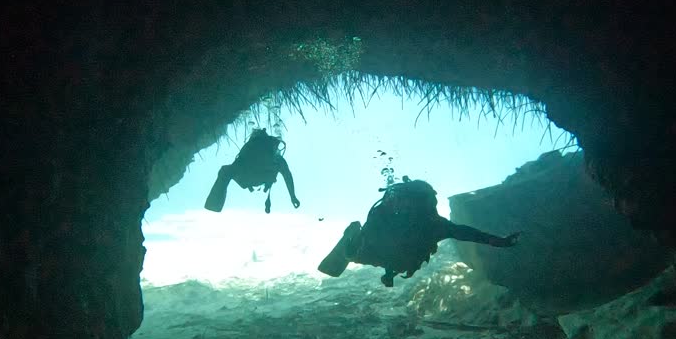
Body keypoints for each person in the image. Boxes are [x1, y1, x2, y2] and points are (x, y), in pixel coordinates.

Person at [318, 176, 520, 286]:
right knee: (358, 248)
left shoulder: (431, 224)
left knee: (359, 249)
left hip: (385, 257)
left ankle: (353, 237)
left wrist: (499, 241)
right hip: (385, 257)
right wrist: (499, 241)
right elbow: (466, 232)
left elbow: (466, 232)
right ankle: (352, 235)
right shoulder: (431, 224)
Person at [204, 128, 301, 213]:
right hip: (264, 177)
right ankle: (214, 205)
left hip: (246, 178)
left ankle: (214, 205)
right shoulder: (277, 158)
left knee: (224, 171)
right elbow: (287, 175)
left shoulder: (249, 150)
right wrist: (293, 196)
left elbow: (233, 167)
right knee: (227, 171)